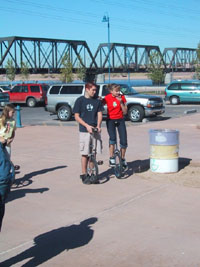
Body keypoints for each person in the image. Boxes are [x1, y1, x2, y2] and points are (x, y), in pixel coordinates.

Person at [73, 82, 103, 184]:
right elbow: (76, 116)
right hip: (84, 130)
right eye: (93, 90)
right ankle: (84, 174)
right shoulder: (80, 100)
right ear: (87, 89)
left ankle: (92, 174)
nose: (94, 92)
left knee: (93, 153)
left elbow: (99, 114)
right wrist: (86, 125)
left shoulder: (97, 101)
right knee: (85, 153)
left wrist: (98, 126)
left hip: (94, 129)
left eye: (95, 90)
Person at [102, 83, 128, 169]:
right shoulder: (107, 97)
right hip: (111, 120)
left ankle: (123, 159)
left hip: (120, 119)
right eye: (116, 91)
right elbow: (100, 104)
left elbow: (125, 112)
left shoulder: (122, 97)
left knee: (123, 141)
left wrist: (120, 102)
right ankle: (111, 157)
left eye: (118, 91)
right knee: (112, 139)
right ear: (111, 91)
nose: (118, 92)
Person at [0, 104, 20, 170]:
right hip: (1, 142)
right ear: (7, 112)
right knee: (1, 158)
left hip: (8, 143)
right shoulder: (1, 120)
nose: (13, 114)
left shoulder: (13, 121)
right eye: (12, 112)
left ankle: (8, 172)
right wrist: (1, 139)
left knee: (7, 157)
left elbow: (13, 132)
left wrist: (11, 139)